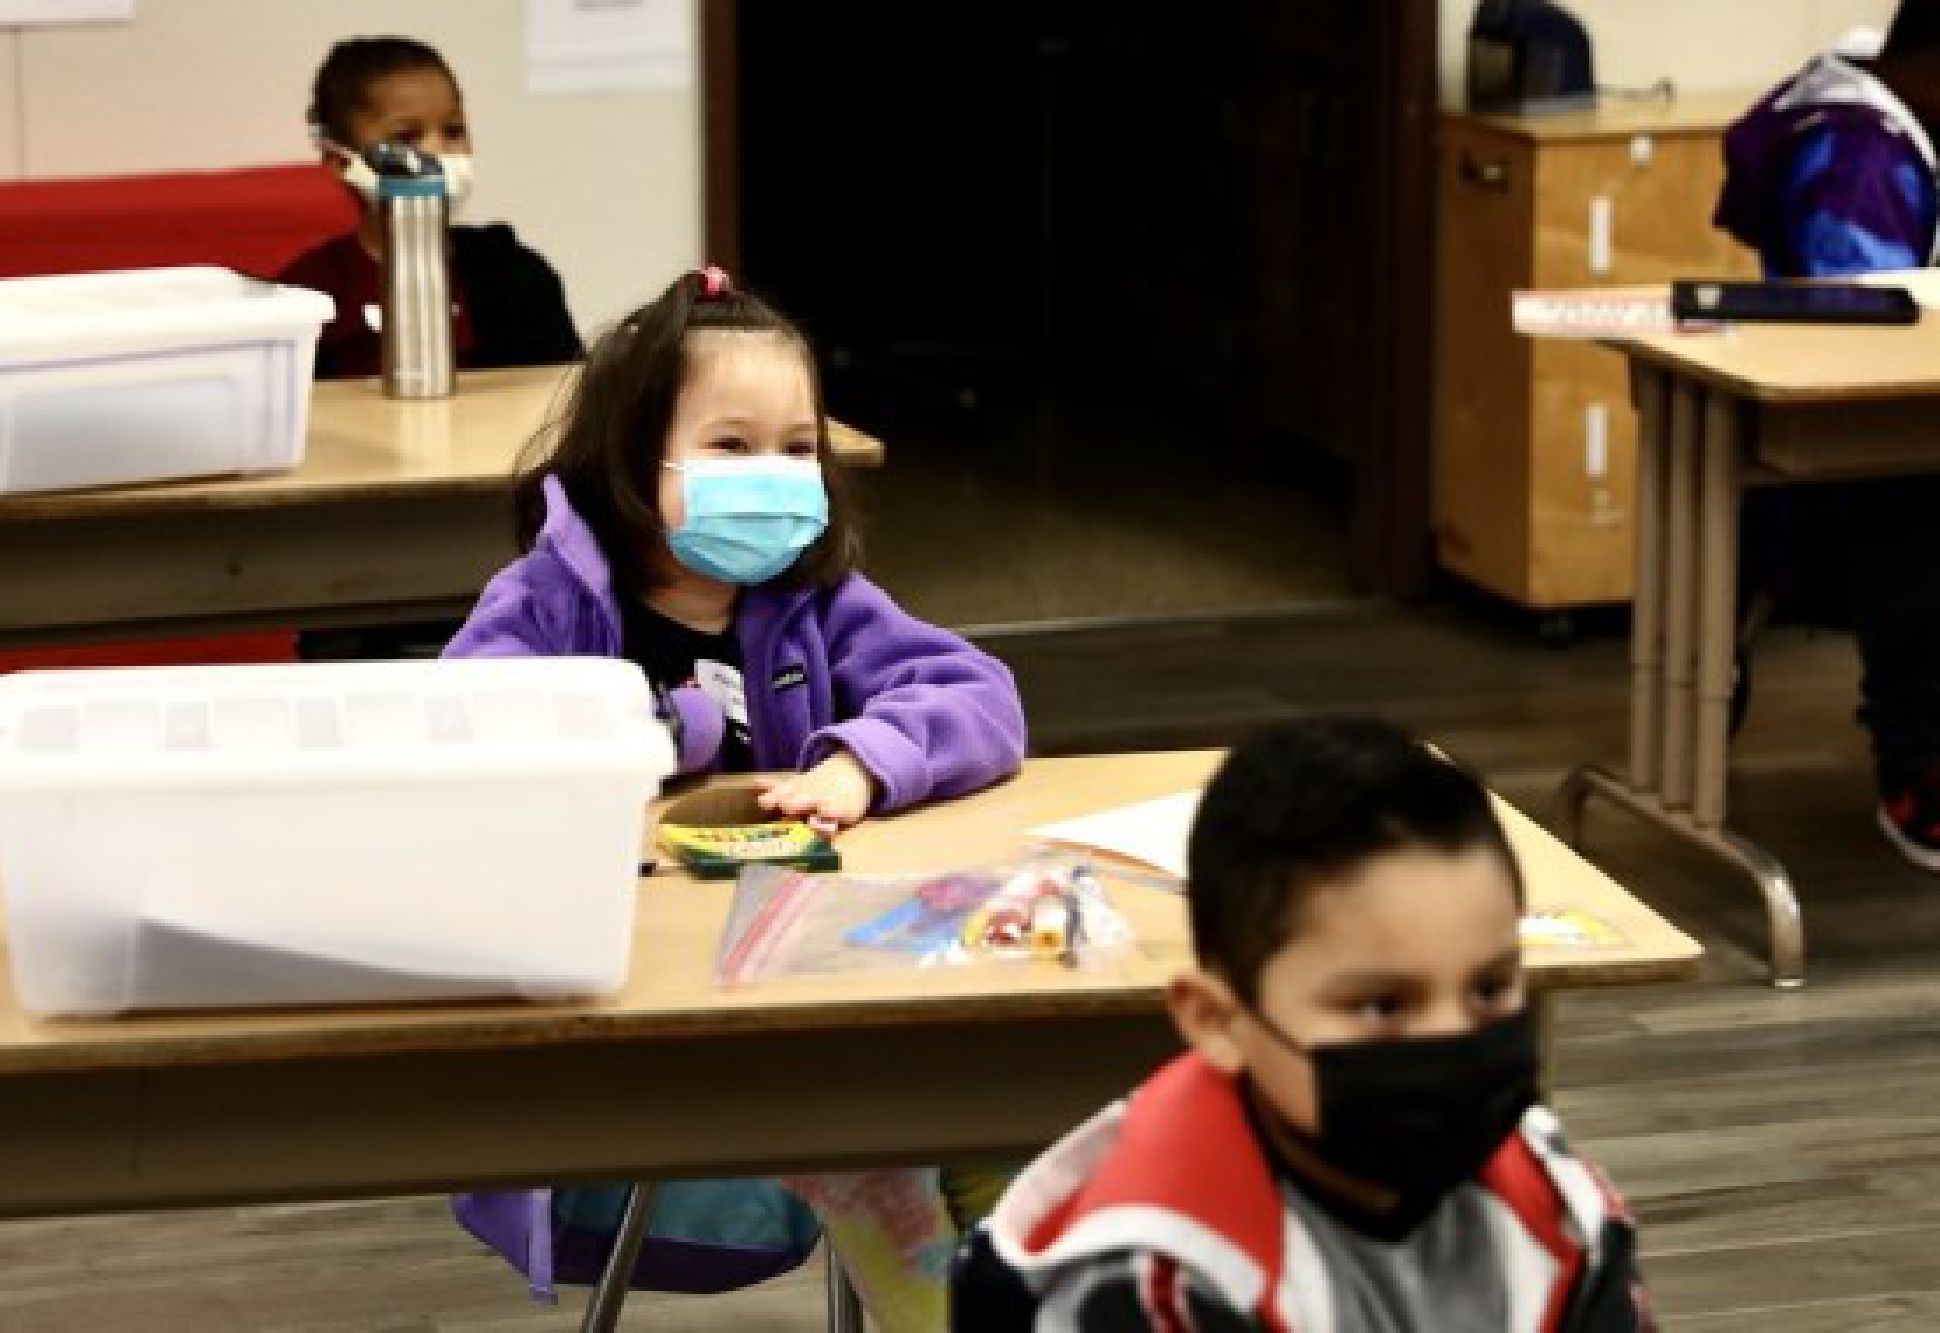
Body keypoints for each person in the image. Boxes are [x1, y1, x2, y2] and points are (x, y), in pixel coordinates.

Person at [446, 265, 1028, 1331]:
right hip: (631, 1035)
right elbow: (467, 729)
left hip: (805, 1001)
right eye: (731, 445)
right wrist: (669, 729)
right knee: (897, 1117)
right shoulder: (545, 604)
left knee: (994, 1087)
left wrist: (860, 762)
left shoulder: (814, 601)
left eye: (798, 447)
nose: (773, 475)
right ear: (635, 457)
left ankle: (997, 1278)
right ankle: (932, 1267)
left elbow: (977, 695)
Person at [951, 718, 1652, 1331]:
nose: (1452, 1038)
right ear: (1218, 1020)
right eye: (1382, 1006)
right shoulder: (1150, 1280)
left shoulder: (1556, 1196)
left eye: (1489, 989)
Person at [1714, 0, 1940, 871]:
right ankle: (1918, 772)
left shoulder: (1892, 110)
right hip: (1839, 466)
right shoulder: (1859, 161)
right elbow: (1870, 343)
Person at [279, 36, 581, 379]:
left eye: (453, 131)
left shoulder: (515, 273)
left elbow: (566, 393)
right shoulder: (309, 292)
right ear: (342, 162)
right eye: (406, 137)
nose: (439, 152)